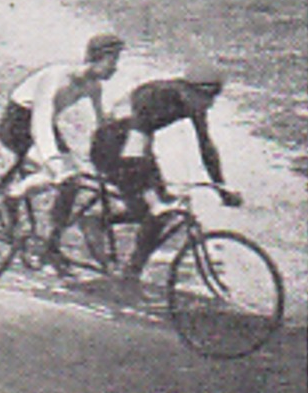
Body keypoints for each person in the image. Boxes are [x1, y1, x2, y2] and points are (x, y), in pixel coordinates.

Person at [89, 64, 242, 287]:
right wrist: (152, 196)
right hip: (111, 147)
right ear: (191, 90)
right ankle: (103, 233)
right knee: (156, 208)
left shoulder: (194, 102)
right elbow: (133, 152)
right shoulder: (155, 96)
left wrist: (221, 187)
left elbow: (206, 146)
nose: (210, 104)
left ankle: (130, 269)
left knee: (155, 211)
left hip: (138, 146)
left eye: (214, 98)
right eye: (208, 97)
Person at [0, 33, 126, 268]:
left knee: (72, 182)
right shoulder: (56, 77)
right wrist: (53, 160)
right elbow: (41, 121)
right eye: (113, 61)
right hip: (17, 125)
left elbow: (101, 125)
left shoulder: (93, 86)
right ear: (97, 58)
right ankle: (13, 196)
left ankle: (52, 245)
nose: (115, 68)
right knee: (60, 174)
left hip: (44, 127)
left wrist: (112, 154)